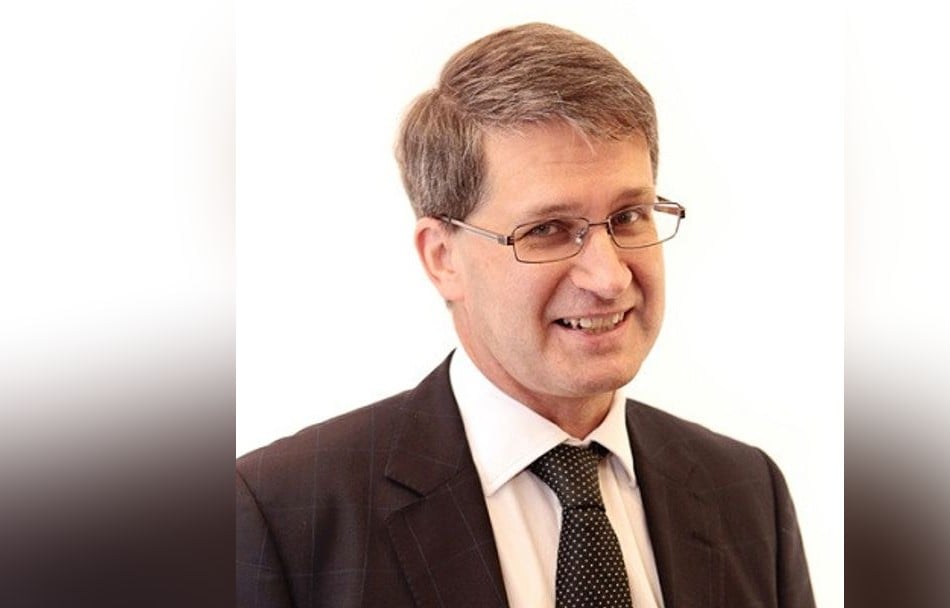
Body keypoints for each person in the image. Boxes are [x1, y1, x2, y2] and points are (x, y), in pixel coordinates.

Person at [236, 22, 815, 608]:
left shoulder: (746, 491)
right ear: (442, 258)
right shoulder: (280, 516)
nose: (609, 277)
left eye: (628, 216)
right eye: (547, 229)